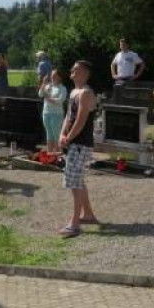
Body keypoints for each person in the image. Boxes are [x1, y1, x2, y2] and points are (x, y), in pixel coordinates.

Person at [58, 61, 99, 238]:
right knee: (77, 179)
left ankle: (74, 224)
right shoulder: (74, 92)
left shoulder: (86, 93)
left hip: (80, 144)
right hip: (73, 142)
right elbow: (68, 116)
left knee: (74, 182)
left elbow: (81, 121)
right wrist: (62, 134)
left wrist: (69, 138)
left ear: (85, 73)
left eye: (76, 69)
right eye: (72, 68)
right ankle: (88, 214)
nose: (72, 70)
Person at [38, 69, 67, 153]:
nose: (52, 77)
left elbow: (61, 99)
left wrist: (50, 99)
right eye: (52, 75)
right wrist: (43, 83)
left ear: (59, 77)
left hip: (56, 114)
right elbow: (40, 94)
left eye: (54, 75)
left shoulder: (62, 88)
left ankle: (58, 155)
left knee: (56, 135)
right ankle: (50, 154)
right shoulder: (48, 86)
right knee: (49, 134)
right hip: (46, 113)